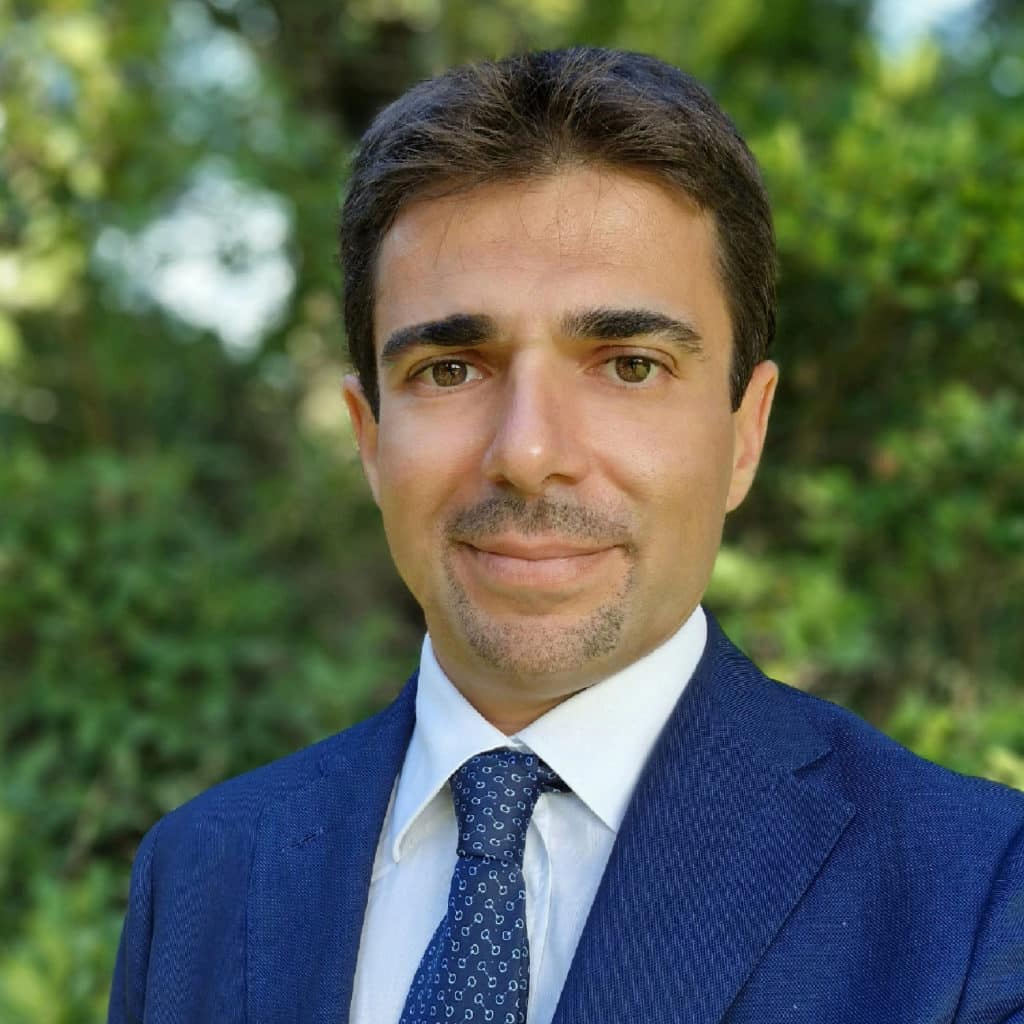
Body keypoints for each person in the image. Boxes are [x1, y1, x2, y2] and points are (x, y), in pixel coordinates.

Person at [108, 48, 1024, 1024]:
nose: (528, 452)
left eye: (628, 365)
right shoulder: (201, 874)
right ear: (370, 439)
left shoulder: (978, 900)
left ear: (745, 434)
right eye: (451, 369)